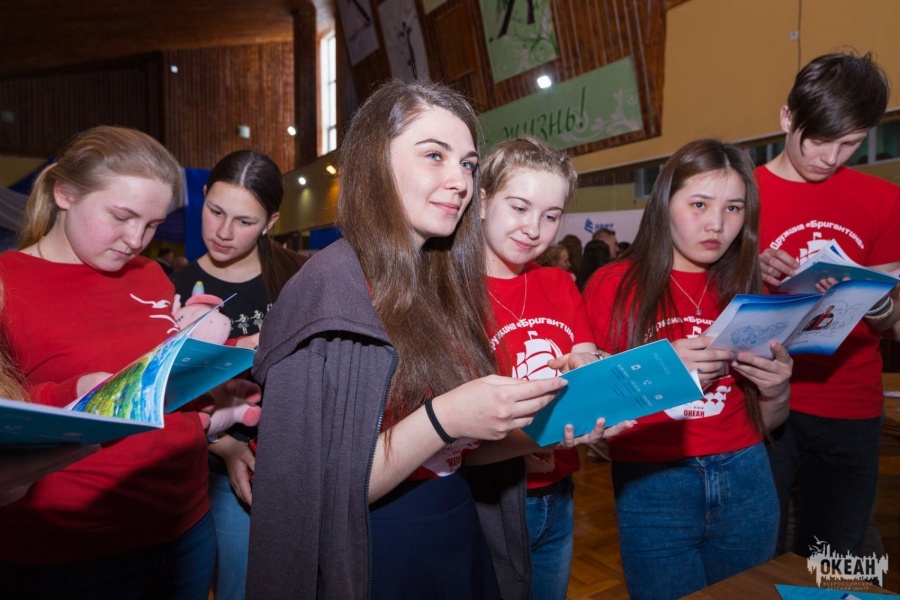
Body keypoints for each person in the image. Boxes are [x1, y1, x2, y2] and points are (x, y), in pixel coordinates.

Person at [246, 80, 575, 599]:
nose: (459, 181)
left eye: (467, 164)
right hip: (378, 550)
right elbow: (318, 496)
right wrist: (445, 417)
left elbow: (461, 454)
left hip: (455, 524)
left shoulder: (440, 283)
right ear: (376, 162)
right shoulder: (328, 291)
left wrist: (550, 421)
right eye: (434, 155)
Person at [0, 125, 247, 599]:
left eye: (153, 225)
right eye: (121, 216)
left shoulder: (151, 273)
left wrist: (215, 377)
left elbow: (163, 380)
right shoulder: (8, 282)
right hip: (76, 549)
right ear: (64, 193)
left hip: (186, 524)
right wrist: (72, 394)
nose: (136, 239)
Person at [583, 139, 794, 600]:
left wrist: (777, 391)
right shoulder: (612, 285)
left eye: (733, 208)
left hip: (748, 474)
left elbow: (769, 421)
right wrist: (660, 369)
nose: (716, 223)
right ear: (664, 203)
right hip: (653, 482)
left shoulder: (749, 287)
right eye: (699, 204)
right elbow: (591, 420)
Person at [474, 135, 632, 600]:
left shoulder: (560, 283)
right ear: (481, 202)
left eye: (550, 216)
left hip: (557, 493)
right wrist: (527, 441)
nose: (533, 229)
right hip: (486, 501)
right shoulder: (453, 291)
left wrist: (599, 371)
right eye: (519, 207)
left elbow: (585, 362)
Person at [756, 51, 900, 557]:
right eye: (819, 139)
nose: (832, 158)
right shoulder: (741, 196)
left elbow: (892, 319)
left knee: (837, 557)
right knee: (760, 555)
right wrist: (750, 272)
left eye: (851, 143)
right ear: (787, 118)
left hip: (850, 403)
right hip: (762, 399)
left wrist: (871, 301)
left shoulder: (883, 199)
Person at [170, 149, 306, 600]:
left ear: (270, 222)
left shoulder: (298, 277)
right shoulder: (176, 288)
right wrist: (226, 447)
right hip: (219, 467)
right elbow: (168, 394)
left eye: (245, 221)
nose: (224, 232)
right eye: (215, 211)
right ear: (204, 196)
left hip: (297, 460)